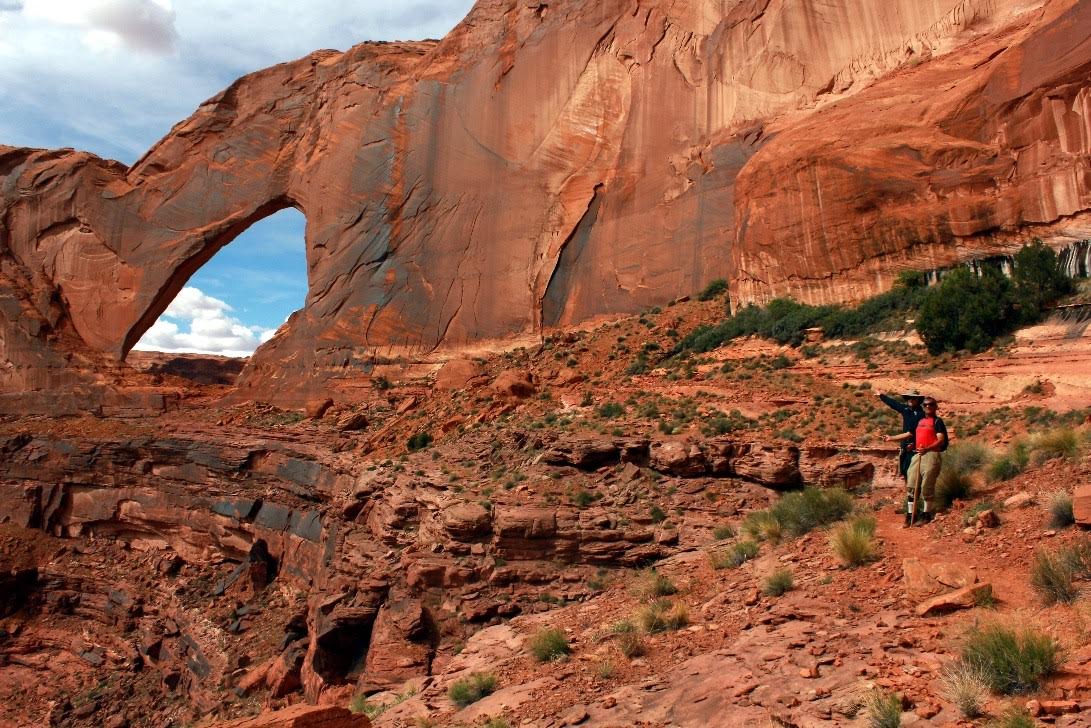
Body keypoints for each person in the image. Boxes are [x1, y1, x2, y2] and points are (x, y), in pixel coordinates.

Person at [904, 397, 948, 526]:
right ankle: (910, 515)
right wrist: (913, 445)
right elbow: (917, 436)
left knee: (926, 485)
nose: (928, 407)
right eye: (926, 405)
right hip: (918, 454)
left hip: (931, 454)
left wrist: (927, 448)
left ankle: (926, 515)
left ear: (935, 407)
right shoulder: (920, 421)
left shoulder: (938, 421)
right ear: (923, 407)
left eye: (931, 405)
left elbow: (941, 440)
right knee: (911, 484)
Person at [878, 390, 925, 482]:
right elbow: (894, 404)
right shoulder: (905, 409)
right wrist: (881, 396)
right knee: (904, 472)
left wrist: (892, 438)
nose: (910, 400)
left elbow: (912, 433)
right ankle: (909, 493)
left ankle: (915, 494)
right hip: (904, 446)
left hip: (915, 447)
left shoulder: (921, 414)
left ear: (918, 400)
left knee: (914, 473)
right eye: (908, 398)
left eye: (913, 398)